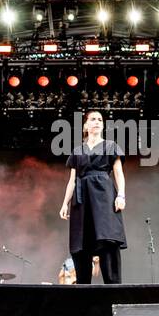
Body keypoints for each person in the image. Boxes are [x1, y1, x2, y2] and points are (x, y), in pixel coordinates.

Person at [59, 110, 126, 284]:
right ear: (85, 125)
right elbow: (72, 180)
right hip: (82, 198)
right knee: (81, 243)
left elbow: (118, 173)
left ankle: (113, 290)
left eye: (99, 120)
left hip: (104, 195)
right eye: (93, 119)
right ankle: (83, 291)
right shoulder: (78, 150)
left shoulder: (111, 146)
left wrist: (121, 195)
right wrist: (65, 203)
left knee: (107, 240)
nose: (96, 122)